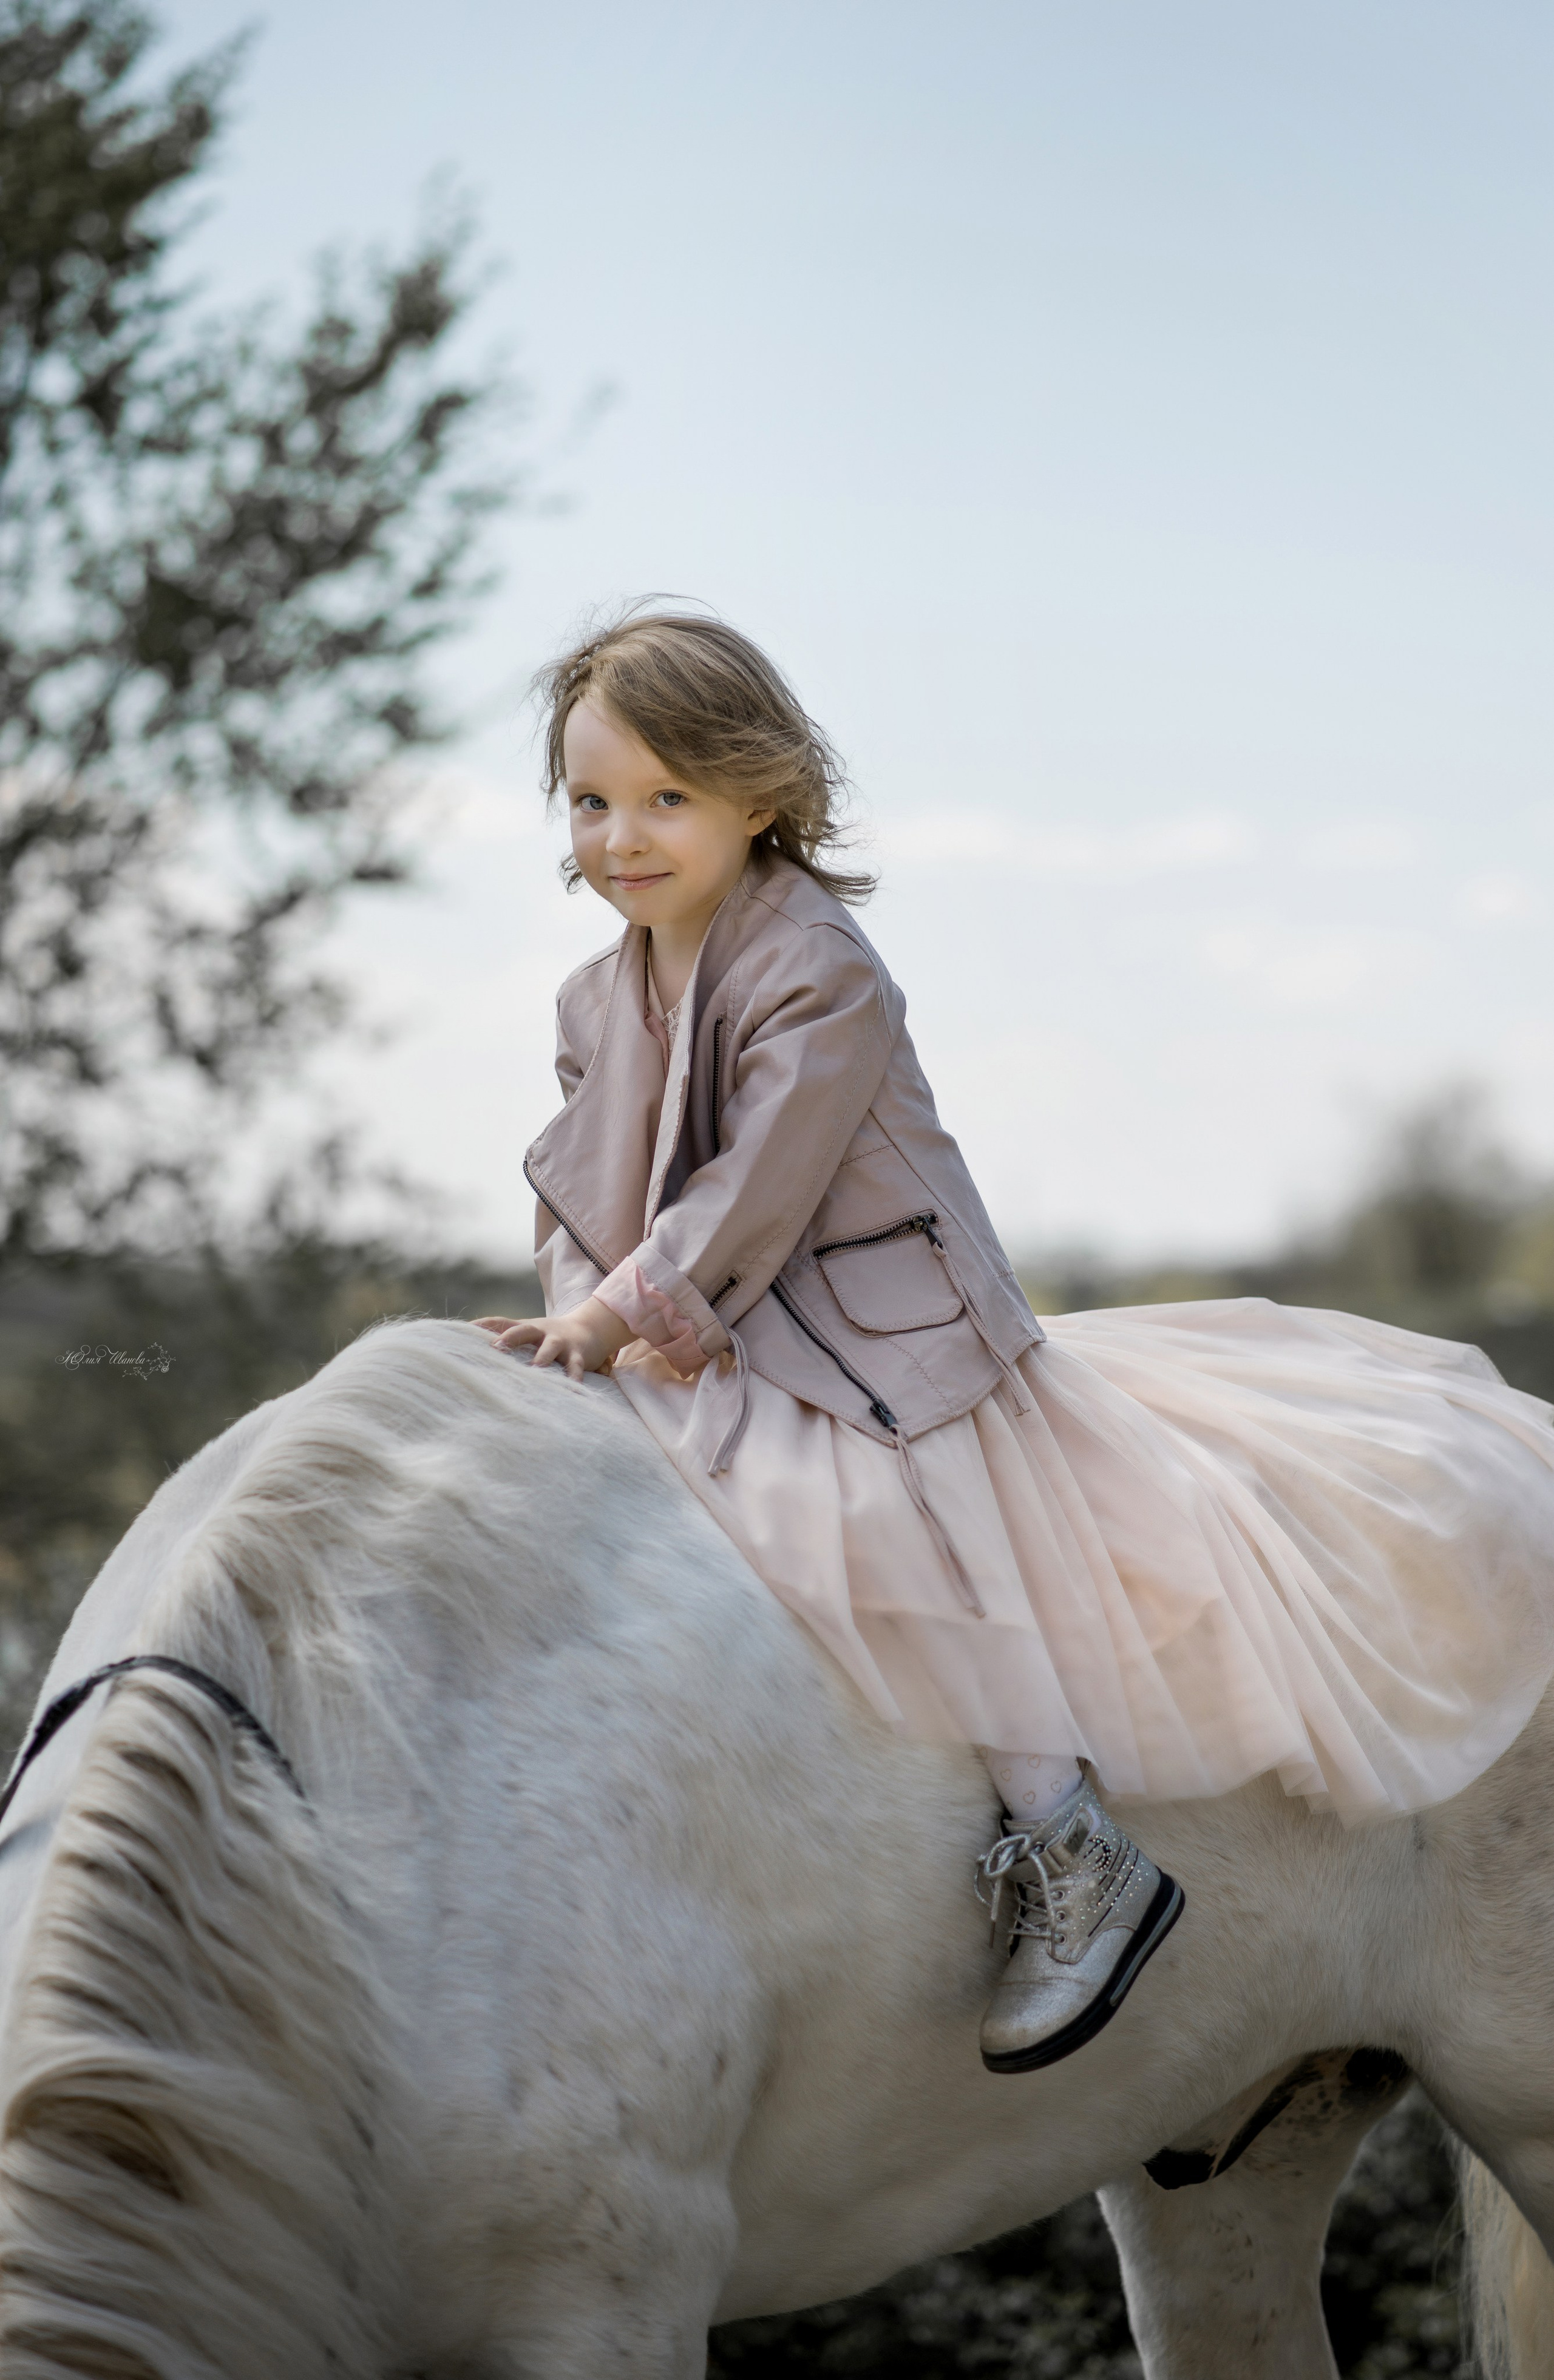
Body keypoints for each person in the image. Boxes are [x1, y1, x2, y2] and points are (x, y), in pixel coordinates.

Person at [479, 609, 1554, 2074]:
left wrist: (625, 1309)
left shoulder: (819, 965)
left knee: (872, 1526)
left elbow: (757, 1184)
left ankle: (1072, 1844)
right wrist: (573, 1307)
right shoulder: (597, 995)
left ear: (760, 794)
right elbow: (599, 1179)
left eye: (668, 796)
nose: (624, 836)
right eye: (594, 800)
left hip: (880, 1333)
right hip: (722, 1320)